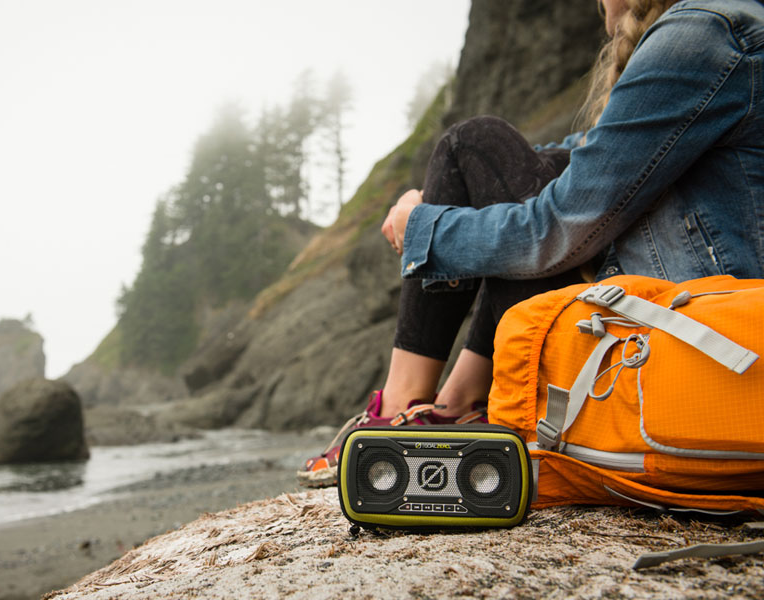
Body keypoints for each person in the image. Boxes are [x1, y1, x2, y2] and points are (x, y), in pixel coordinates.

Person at [298, 0, 764, 487]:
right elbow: (583, 157)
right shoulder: (722, 31)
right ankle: (455, 407)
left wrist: (424, 226)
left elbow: (556, 228)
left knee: (474, 147)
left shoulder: (702, 33)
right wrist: (440, 197)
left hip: (686, 342)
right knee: (477, 151)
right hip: (686, 332)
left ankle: (400, 408)